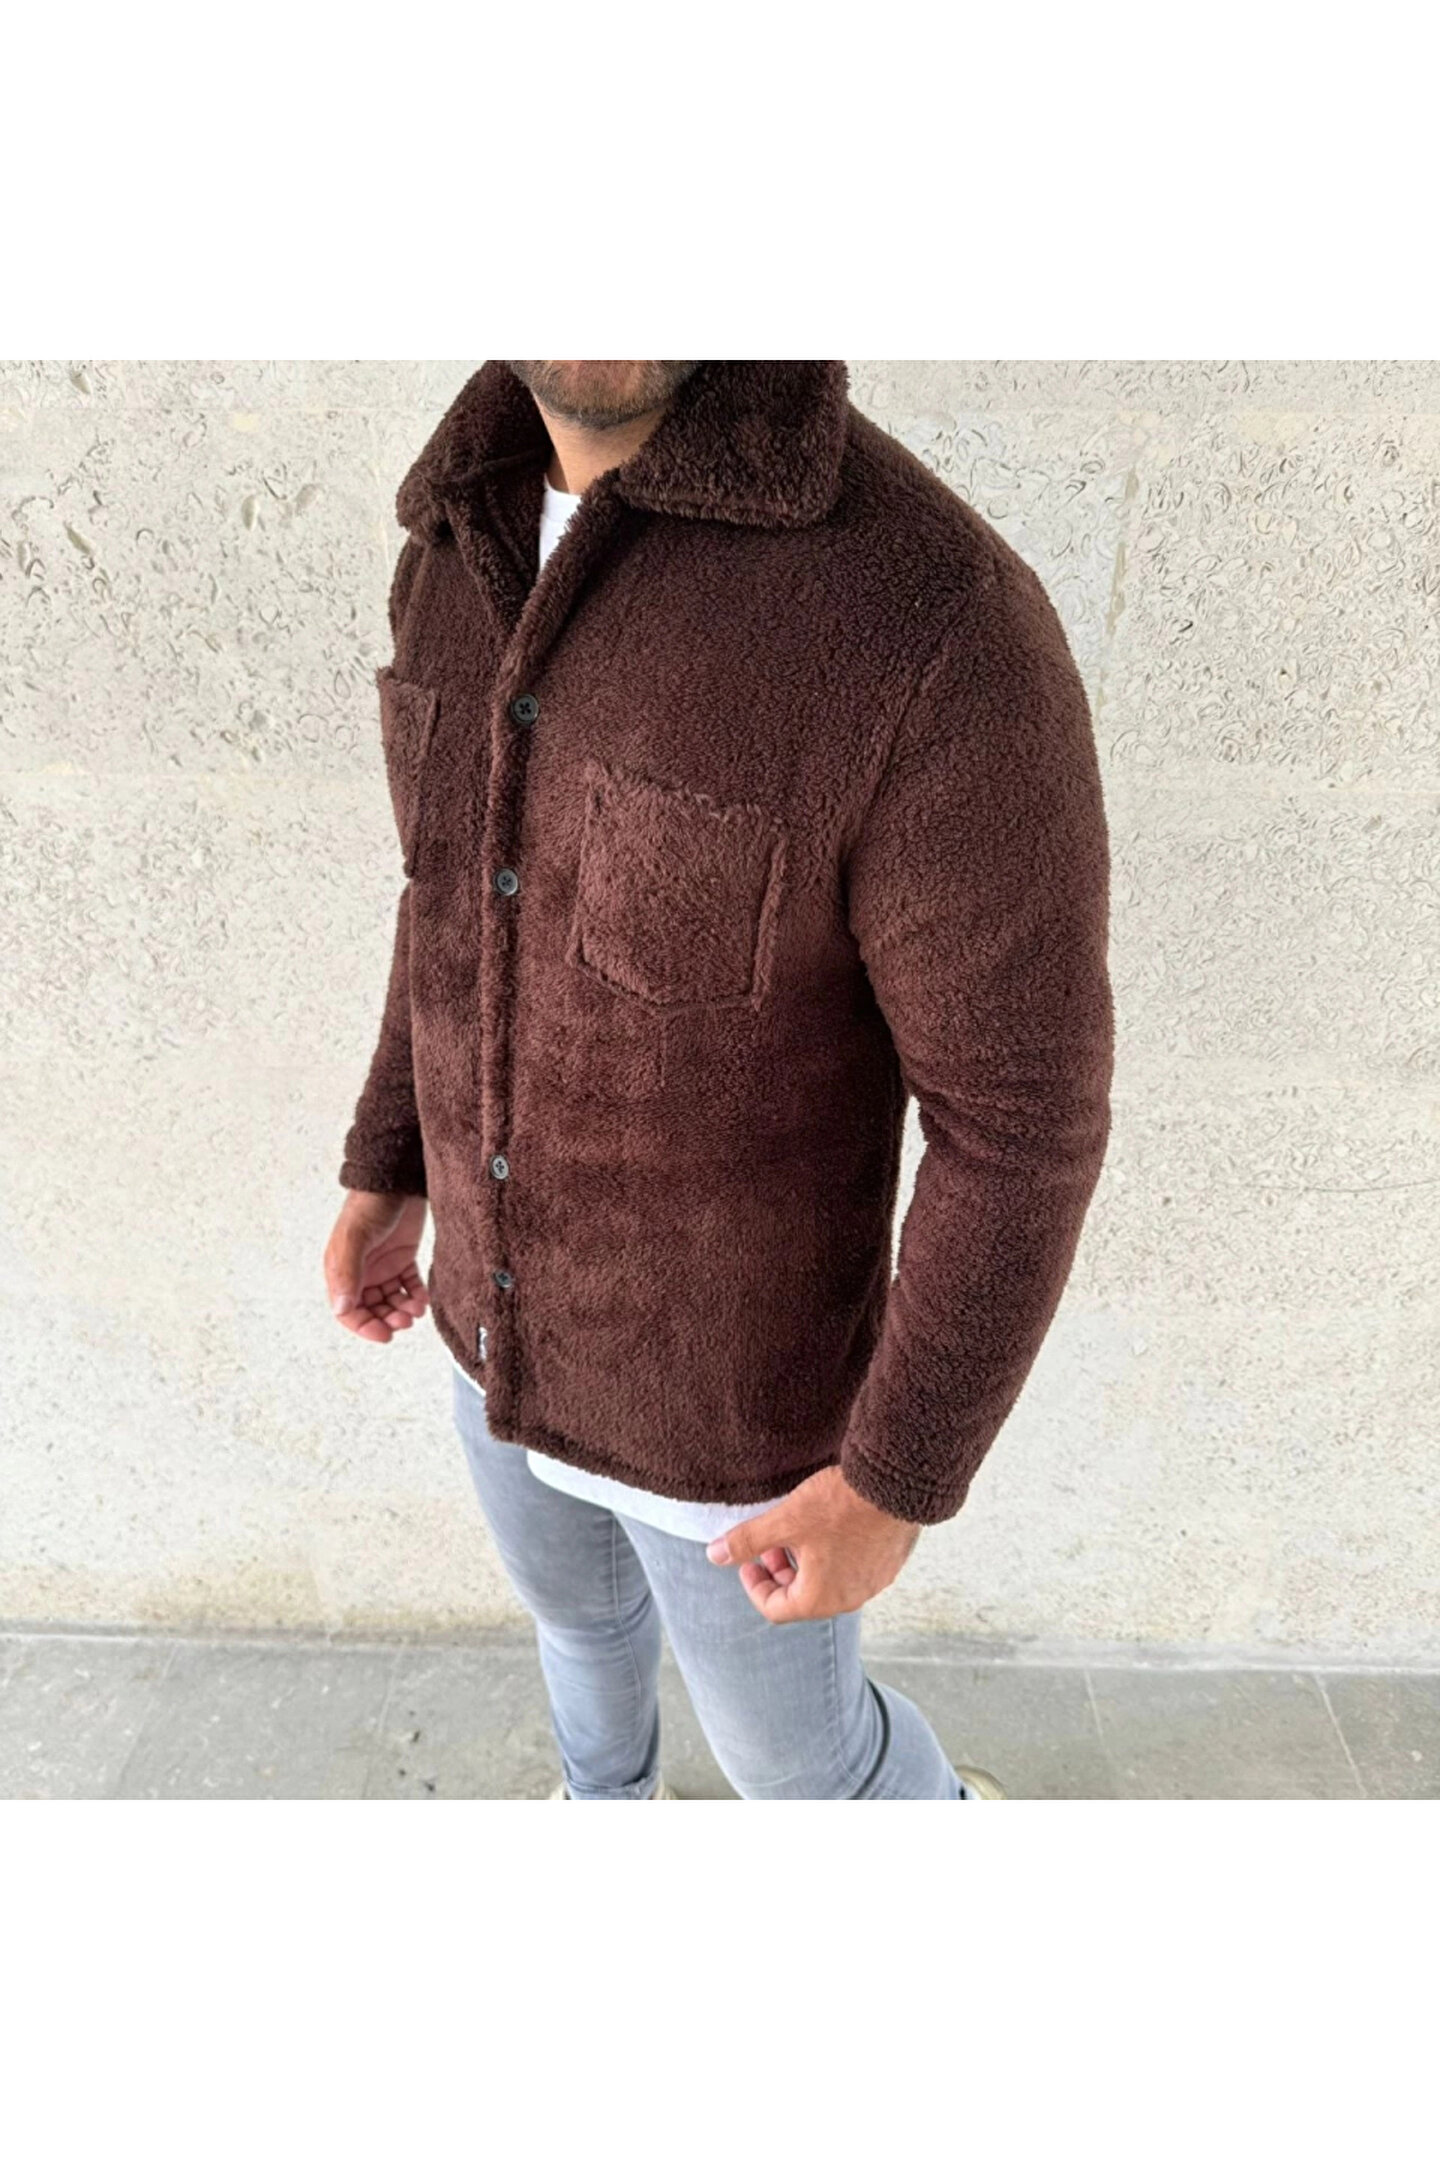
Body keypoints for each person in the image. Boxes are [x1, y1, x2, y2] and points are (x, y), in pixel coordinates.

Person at [323, 361, 1113, 1800]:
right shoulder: (451, 534)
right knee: (577, 1629)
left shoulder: (931, 620)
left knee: (804, 1776)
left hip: (733, 1428)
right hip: (488, 1335)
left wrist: (897, 1477)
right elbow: (449, 899)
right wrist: (391, 1162)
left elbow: (1020, 1125)